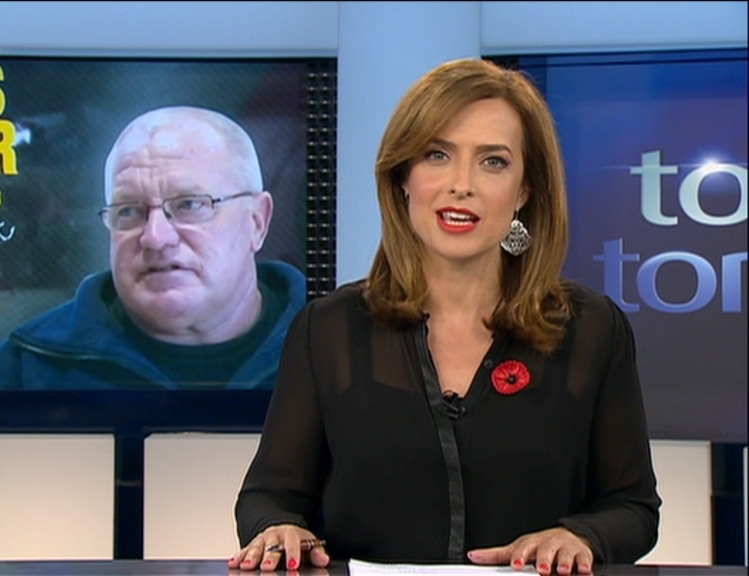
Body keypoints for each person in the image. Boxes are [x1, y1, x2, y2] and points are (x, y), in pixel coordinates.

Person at [229, 58, 660, 574]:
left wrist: (580, 536)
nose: (462, 184)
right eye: (437, 155)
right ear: (403, 177)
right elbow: (269, 496)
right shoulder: (329, 329)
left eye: (493, 162)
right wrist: (278, 527)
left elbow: (633, 507)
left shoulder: (590, 329)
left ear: (525, 190)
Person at [0, 105, 306, 390]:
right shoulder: (21, 371)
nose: (155, 237)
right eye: (128, 211)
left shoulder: (330, 354)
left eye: (189, 204)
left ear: (257, 222)